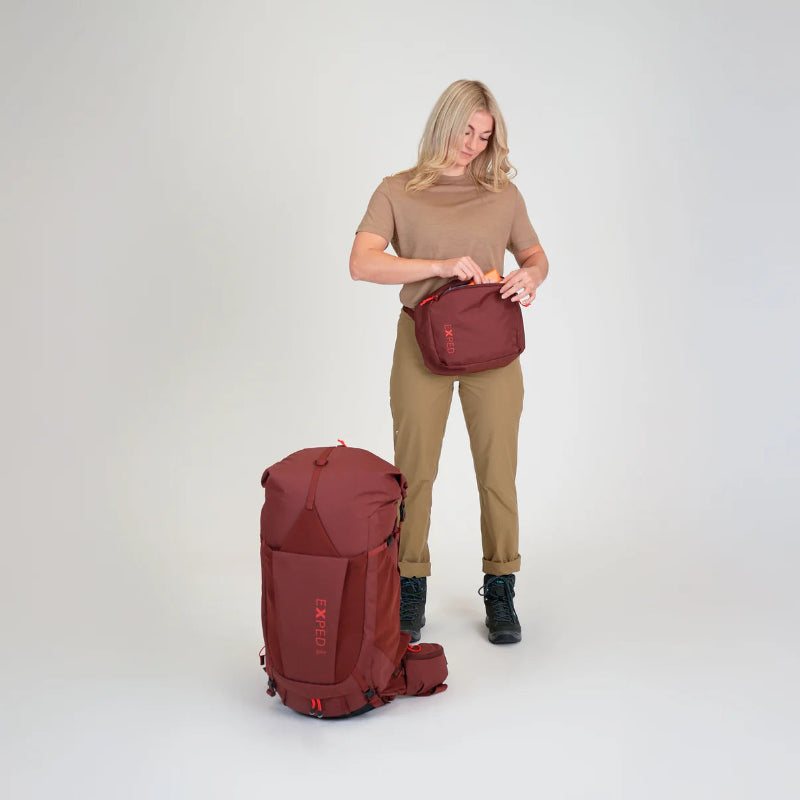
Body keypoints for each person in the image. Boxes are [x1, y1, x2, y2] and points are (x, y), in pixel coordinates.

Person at [349, 79, 549, 645]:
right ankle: (410, 585)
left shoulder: (502, 194)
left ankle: (502, 586)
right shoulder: (395, 191)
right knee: (413, 474)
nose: (473, 145)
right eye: (466, 130)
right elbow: (362, 264)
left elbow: (535, 254)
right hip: (422, 341)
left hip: (492, 343)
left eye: (484, 136)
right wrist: (436, 263)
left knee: (498, 471)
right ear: (445, 121)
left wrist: (528, 275)